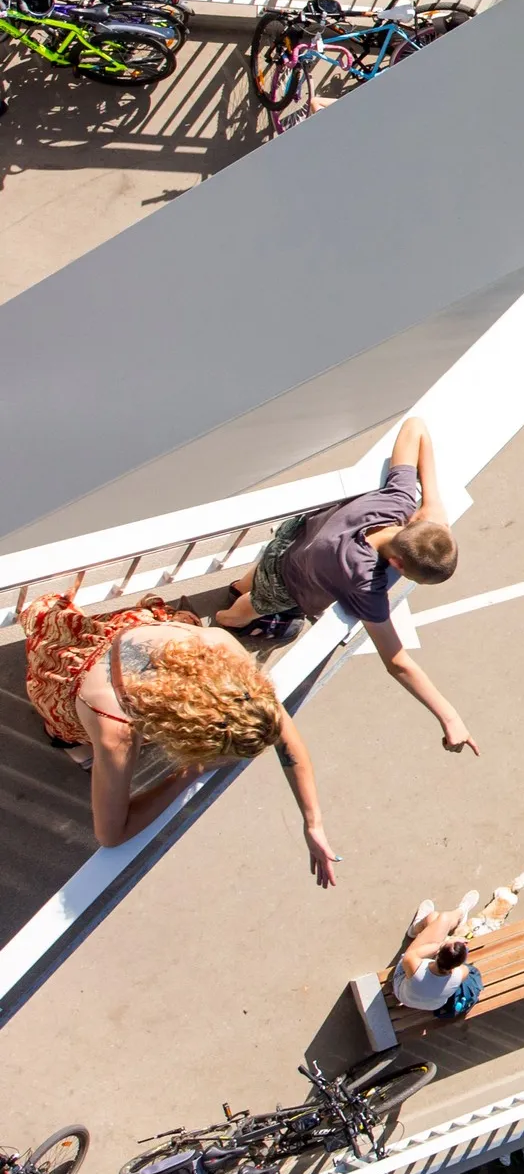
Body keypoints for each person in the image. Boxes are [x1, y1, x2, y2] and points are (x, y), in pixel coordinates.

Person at [20, 591, 338, 883]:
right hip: (77, 691)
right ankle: (71, 745)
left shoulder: (220, 650)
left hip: (123, 635)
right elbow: (111, 834)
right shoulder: (117, 730)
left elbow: (285, 740)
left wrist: (313, 822)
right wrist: (192, 771)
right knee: (70, 734)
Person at [218, 417, 479, 755]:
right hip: (287, 584)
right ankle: (226, 620)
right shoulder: (362, 582)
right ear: (398, 566)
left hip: (293, 538)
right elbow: (397, 661)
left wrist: (431, 498)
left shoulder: (397, 502)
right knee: (253, 605)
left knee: (259, 572)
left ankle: (236, 588)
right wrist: (449, 715)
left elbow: (415, 427)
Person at [395, 892, 484, 1021]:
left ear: (438, 953)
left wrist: (442, 943)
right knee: (434, 919)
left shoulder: (415, 966)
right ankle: (451, 916)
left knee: (442, 918)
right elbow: (462, 969)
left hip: (402, 993)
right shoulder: (461, 973)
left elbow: (409, 956)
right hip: (430, 1005)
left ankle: (420, 927)